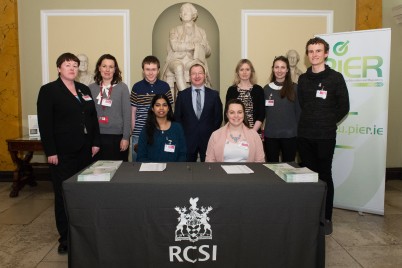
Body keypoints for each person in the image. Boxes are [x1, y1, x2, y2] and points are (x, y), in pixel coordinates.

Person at [37, 52, 100, 254]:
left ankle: (83, 233)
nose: (72, 68)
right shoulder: (49, 91)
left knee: (82, 192)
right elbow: (45, 124)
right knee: (63, 194)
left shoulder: (83, 89)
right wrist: (51, 151)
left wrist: (95, 142)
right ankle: (65, 237)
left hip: (85, 151)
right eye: (67, 65)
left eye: (75, 65)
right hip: (62, 153)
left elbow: (92, 117)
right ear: (59, 68)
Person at [297, 37, 349, 235]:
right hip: (305, 135)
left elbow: (344, 106)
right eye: (311, 51)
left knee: (325, 175)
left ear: (326, 53)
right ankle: (311, 215)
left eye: (318, 51)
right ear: (307, 54)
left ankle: (326, 217)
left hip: (325, 136)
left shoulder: (335, 78)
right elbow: (302, 103)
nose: (314, 54)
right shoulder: (303, 79)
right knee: (308, 177)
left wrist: (327, 121)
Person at [174, 63, 222, 162]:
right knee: (187, 171)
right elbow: (177, 118)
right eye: (194, 73)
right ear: (189, 76)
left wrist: (212, 134)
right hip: (188, 141)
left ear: (205, 75)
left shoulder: (214, 95)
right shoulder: (182, 96)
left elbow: (218, 118)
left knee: (208, 171)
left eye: (200, 73)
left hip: (209, 140)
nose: (197, 76)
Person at [161, 2, 212, 92]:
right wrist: (193, 45)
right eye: (182, 11)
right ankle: (186, 97)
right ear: (180, 15)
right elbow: (175, 46)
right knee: (178, 67)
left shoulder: (201, 31)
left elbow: (208, 51)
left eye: (187, 11)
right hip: (175, 60)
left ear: (193, 14)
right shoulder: (174, 30)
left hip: (193, 60)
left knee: (198, 69)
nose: (184, 13)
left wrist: (202, 46)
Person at [89, 54, 131, 161]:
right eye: (104, 66)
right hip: (96, 137)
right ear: (99, 68)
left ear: (115, 69)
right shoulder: (91, 88)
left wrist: (126, 137)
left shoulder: (122, 88)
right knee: (96, 172)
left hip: (117, 137)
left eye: (111, 67)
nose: (107, 70)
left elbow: (127, 114)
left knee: (118, 172)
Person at [131, 56, 173, 161]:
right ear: (143, 70)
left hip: (160, 132)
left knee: (160, 162)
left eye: (153, 69)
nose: (150, 73)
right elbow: (133, 112)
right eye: (147, 69)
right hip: (139, 132)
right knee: (138, 164)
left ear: (158, 70)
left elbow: (170, 110)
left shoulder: (165, 87)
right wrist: (133, 131)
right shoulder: (136, 87)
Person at [263, 56, 300, 163]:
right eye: (277, 67)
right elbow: (263, 114)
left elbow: (299, 113)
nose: (279, 70)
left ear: (287, 70)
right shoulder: (266, 89)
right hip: (271, 136)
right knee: (271, 169)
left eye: (283, 67)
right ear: (273, 69)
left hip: (290, 136)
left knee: (289, 168)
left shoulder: (295, 88)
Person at [137, 94, 186, 162]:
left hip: (174, 170)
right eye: (157, 105)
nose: (161, 108)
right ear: (152, 109)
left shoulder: (177, 128)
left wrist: (175, 169)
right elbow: (141, 157)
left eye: (164, 105)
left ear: (168, 108)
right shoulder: (146, 129)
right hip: (151, 170)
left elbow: (183, 154)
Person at [225, 59, 265, 132]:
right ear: (237, 72)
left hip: (254, 132)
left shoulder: (259, 90)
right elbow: (227, 113)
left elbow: (261, 114)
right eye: (241, 69)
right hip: (235, 132)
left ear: (251, 72)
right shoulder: (231, 90)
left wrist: (252, 132)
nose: (244, 72)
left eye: (247, 69)